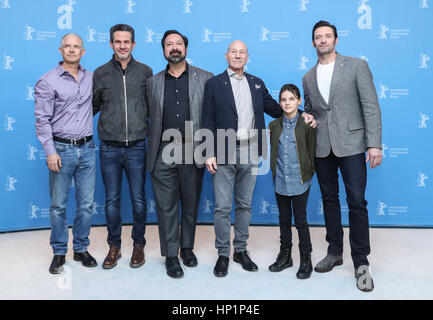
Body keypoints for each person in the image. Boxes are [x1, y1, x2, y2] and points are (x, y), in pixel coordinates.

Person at [302, 20, 382, 292]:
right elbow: (312, 109)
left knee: (357, 202)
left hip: (353, 144)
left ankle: (361, 262)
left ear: (336, 40)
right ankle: (335, 251)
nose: (323, 40)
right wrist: (308, 117)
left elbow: (370, 106)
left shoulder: (357, 66)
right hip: (323, 147)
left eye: (327, 36)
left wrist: (375, 144)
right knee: (329, 199)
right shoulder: (308, 77)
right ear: (313, 43)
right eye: (318, 37)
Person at [202, 40, 284, 277]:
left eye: (242, 52)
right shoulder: (214, 84)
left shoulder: (257, 83)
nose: (237, 56)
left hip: (251, 150)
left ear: (248, 57)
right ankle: (223, 254)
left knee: (245, 204)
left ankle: (240, 250)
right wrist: (209, 152)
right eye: (233, 52)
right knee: (222, 207)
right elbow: (207, 118)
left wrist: (299, 113)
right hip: (223, 149)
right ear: (226, 56)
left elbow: (275, 109)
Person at [146, 30, 213, 278]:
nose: (174, 47)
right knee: (166, 206)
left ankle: (187, 248)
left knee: (191, 201)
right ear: (163, 49)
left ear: (186, 47)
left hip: (193, 148)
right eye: (169, 44)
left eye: (179, 43)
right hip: (163, 149)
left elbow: (212, 116)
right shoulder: (152, 82)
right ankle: (171, 256)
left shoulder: (205, 78)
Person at [34, 33, 97, 274]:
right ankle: (59, 252)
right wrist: (50, 151)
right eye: (67, 46)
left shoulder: (91, 78)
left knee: (86, 205)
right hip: (61, 149)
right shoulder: (47, 81)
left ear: (83, 52)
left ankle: (81, 248)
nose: (72, 50)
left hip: (89, 149)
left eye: (76, 47)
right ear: (60, 50)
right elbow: (42, 120)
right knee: (58, 206)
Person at [93, 24, 153, 270]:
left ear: (134, 44)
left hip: (137, 147)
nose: (122, 45)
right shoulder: (100, 73)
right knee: (111, 200)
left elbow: (153, 108)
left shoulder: (146, 72)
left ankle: (138, 245)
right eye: (117, 41)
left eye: (126, 41)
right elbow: (93, 107)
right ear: (111, 44)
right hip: (109, 148)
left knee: (139, 199)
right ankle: (114, 246)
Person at [268, 84, 316, 279]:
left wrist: (309, 171)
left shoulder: (307, 123)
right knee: (284, 219)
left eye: (291, 99)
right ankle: (285, 256)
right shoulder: (273, 126)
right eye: (283, 100)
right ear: (280, 103)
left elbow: (312, 150)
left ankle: (306, 258)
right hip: (280, 180)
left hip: (300, 180)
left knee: (301, 221)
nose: (287, 103)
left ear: (299, 101)